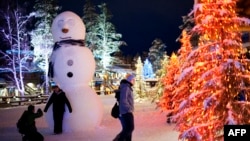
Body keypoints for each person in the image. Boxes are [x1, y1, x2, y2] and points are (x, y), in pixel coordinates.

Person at [113, 74, 135, 141]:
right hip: (125, 112)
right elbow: (123, 100)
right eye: (133, 80)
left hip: (124, 111)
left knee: (127, 129)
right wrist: (129, 109)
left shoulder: (126, 86)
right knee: (130, 128)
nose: (134, 81)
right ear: (130, 80)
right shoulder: (126, 87)